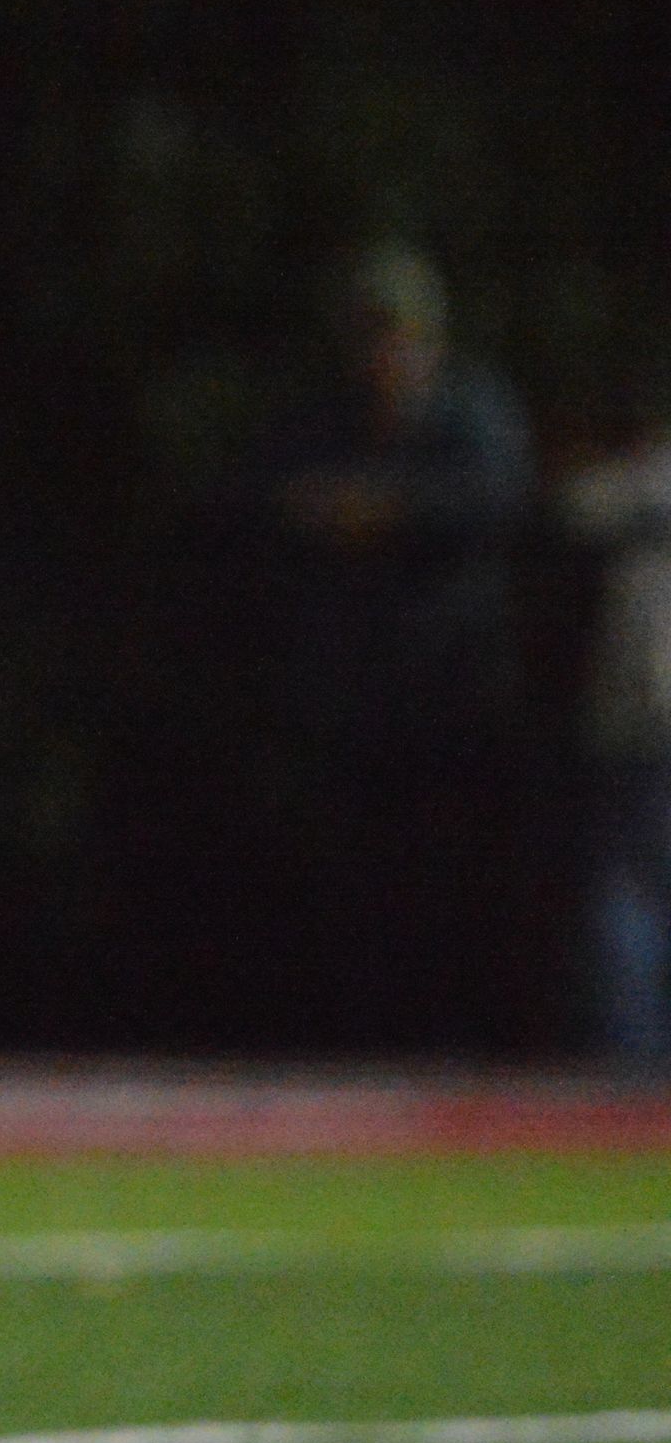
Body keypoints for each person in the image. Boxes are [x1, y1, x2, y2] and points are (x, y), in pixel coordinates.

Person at [238, 243, 536, 1039]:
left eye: (396, 331)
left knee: (453, 879)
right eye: (369, 332)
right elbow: (272, 502)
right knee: (352, 883)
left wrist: (384, 510)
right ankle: (361, 1040)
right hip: (352, 699)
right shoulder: (325, 419)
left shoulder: (471, 410)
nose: (383, 350)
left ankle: (458, 1042)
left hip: (452, 691)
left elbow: (497, 501)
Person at [558, 376, 671, 1067]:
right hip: (636, 719)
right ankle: (635, 1057)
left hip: (636, 717)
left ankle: (633, 1063)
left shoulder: (627, 486)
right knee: (631, 893)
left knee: (627, 892)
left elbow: (571, 504)